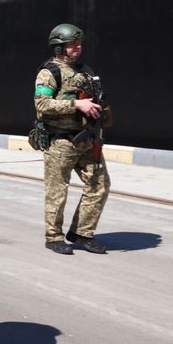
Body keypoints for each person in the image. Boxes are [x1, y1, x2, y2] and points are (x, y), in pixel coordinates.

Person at [34, 23, 110, 255]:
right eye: (71, 44)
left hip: (87, 139)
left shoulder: (85, 69)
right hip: (61, 142)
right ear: (59, 47)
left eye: (78, 43)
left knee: (100, 185)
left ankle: (82, 232)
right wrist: (76, 104)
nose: (77, 47)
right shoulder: (49, 72)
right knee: (58, 191)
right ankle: (53, 236)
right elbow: (42, 104)